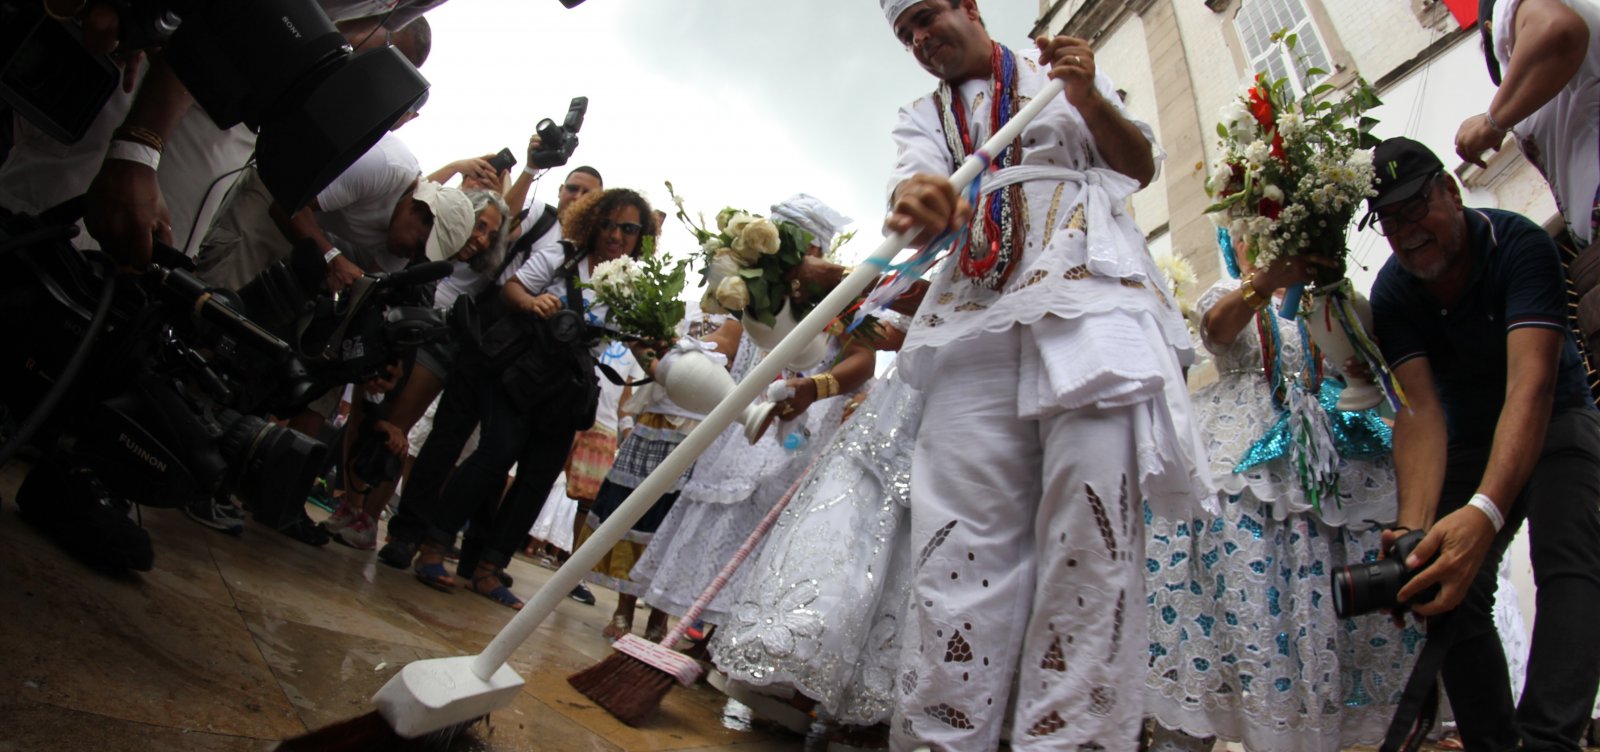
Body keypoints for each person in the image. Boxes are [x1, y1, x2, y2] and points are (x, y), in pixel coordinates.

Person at [824, 2, 1214, 749]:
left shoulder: (1053, 68)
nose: (919, 37)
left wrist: (1089, 97)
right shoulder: (921, 115)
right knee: (960, 534)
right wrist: (918, 200)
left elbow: (1137, 163)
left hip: (1088, 301)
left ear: (969, 6)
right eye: (904, 32)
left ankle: (1064, 740)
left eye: (927, 15)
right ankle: (945, 738)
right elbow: (911, 186)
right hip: (974, 313)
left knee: (1091, 526)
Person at [1142, 229, 1418, 752]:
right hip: (1244, 457)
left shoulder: (1331, 300)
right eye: (1246, 236)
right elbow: (1217, 332)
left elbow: (1367, 355)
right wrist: (1264, 281)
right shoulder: (1230, 292)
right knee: (1230, 603)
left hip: (1330, 460)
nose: (1257, 242)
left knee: (1324, 603)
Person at [1368, 136, 1600, 752]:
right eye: (1389, 220)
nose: (1406, 231)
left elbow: (1533, 384)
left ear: (1451, 188)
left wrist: (1486, 511)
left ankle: (1548, 739)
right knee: (1445, 587)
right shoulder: (1393, 291)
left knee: (1569, 552)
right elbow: (1419, 414)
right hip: (1468, 434)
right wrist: (1414, 531)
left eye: (1416, 207)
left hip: (1554, 414)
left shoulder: (1518, 243)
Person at [396, 188, 655, 610]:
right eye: (609, 223)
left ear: (640, 236)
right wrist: (534, 302)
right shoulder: (564, 255)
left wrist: (659, 355)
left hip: (568, 387)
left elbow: (636, 340)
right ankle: (433, 545)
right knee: (494, 455)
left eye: (628, 228)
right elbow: (510, 289)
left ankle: (489, 568)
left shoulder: (635, 283)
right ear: (595, 222)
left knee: (537, 478)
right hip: (522, 370)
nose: (616, 235)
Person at [375, 164, 603, 585]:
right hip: (482, 339)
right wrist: (531, 168)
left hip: (524, 366)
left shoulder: (589, 253)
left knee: (494, 457)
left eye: (587, 193)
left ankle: (472, 555)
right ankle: (408, 534)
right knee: (447, 439)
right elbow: (503, 219)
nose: (576, 196)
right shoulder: (541, 217)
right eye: (571, 187)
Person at [322, 187, 508, 549]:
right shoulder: (418, 246)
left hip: (437, 347)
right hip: (393, 331)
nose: (482, 238)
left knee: (393, 430)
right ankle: (349, 505)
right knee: (362, 416)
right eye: (479, 225)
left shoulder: (479, 273)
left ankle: (368, 519)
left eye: (491, 234)